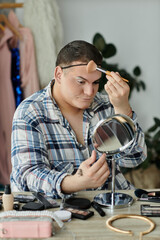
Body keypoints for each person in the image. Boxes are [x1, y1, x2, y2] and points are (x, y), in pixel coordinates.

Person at [10, 40, 147, 199]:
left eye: (95, 82)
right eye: (81, 81)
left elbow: (135, 158)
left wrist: (123, 109)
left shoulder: (106, 106)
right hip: (59, 212)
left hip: (113, 204)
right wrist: (75, 182)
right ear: (59, 74)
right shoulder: (30, 113)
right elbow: (27, 176)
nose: (90, 92)